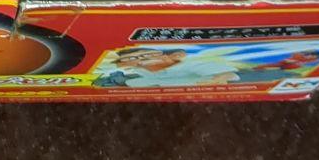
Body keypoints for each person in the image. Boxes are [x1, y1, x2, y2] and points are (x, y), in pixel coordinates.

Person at [95, 46, 240, 88]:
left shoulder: (192, 64)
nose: (142, 60)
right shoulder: (138, 73)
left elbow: (226, 74)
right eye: (132, 59)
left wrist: (217, 80)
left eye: (147, 55)